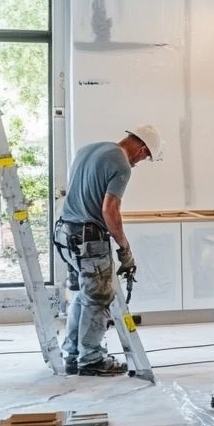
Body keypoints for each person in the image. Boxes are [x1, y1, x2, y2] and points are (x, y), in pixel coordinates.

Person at [53, 125, 162, 376]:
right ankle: (91, 359)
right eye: (144, 157)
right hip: (89, 238)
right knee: (100, 297)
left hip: (65, 233)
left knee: (83, 294)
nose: (139, 163)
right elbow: (109, 210)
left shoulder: (87, 150)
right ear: (142, 148)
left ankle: (72, 354)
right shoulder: (121, 163)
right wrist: (124, 247)